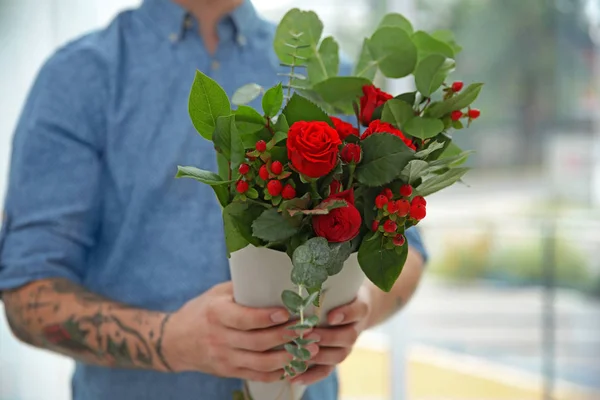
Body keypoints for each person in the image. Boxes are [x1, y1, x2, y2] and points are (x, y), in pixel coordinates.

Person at [0, 0, 427, 399]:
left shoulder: (327, 74)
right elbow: (27, 293)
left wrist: (358, 309)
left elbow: (405, 250)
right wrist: (170, 341)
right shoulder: (79, 77)